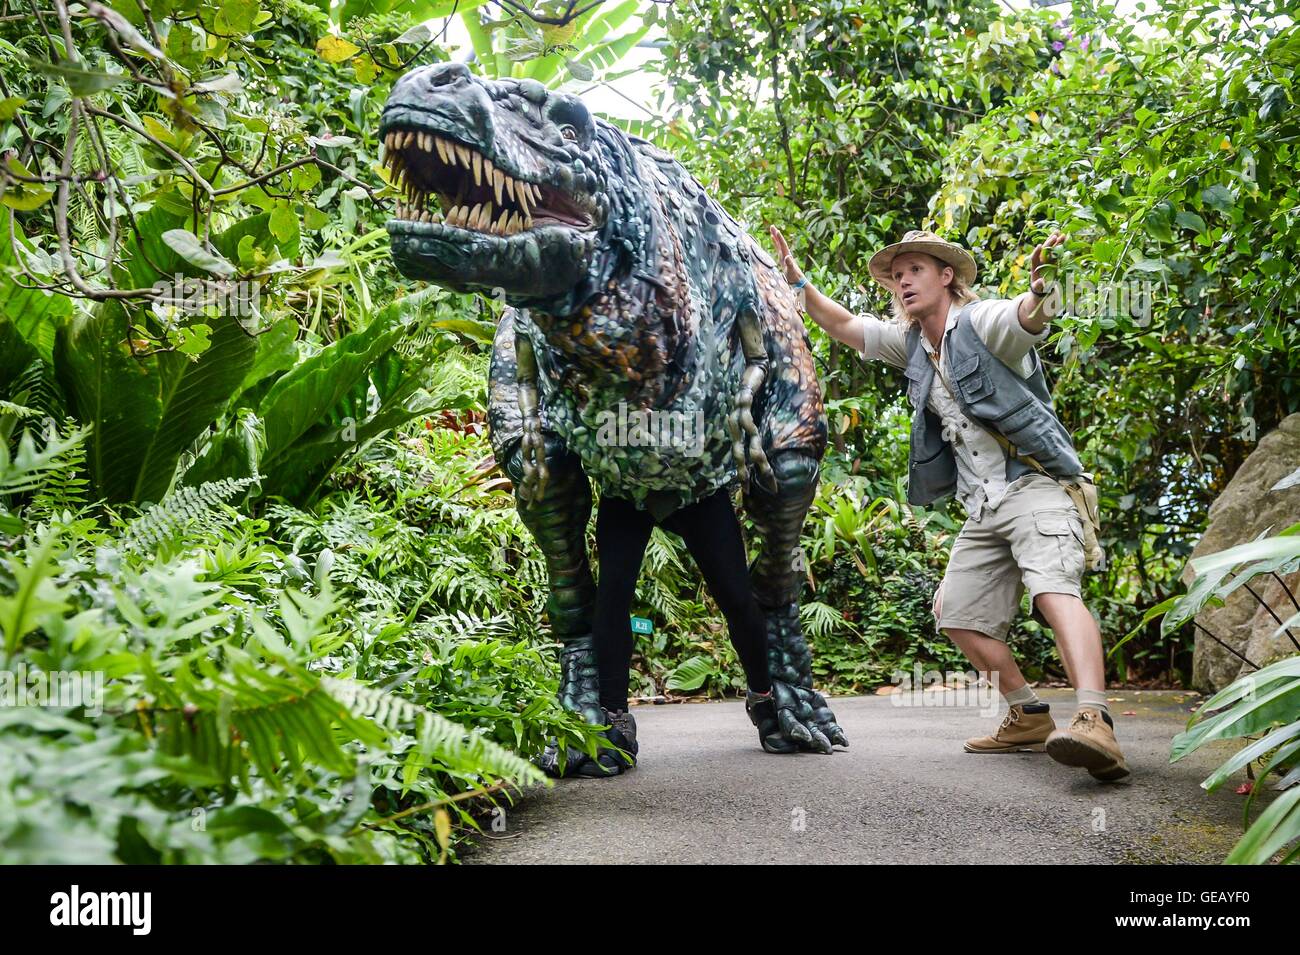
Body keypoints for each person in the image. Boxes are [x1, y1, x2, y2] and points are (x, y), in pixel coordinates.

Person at [768, 225, 1129, 781]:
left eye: (915, 269)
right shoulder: (911, 342)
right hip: (983, 505)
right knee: (956, 614)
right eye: (897, 274)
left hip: (1035, 486)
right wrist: (798, 282)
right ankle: (1028, 714)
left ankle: (1093, 718)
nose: (903, 280)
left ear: (946, 277)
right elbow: (842, 324)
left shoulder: (980, 323)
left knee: (1055, 592)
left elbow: (1026, 317)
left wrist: (1042, 290)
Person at [574, 488, 776, 777]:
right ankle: (614, 718)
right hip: (628, 482)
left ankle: (763, 697)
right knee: (612, 595)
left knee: (737, 596)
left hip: (697, 483)